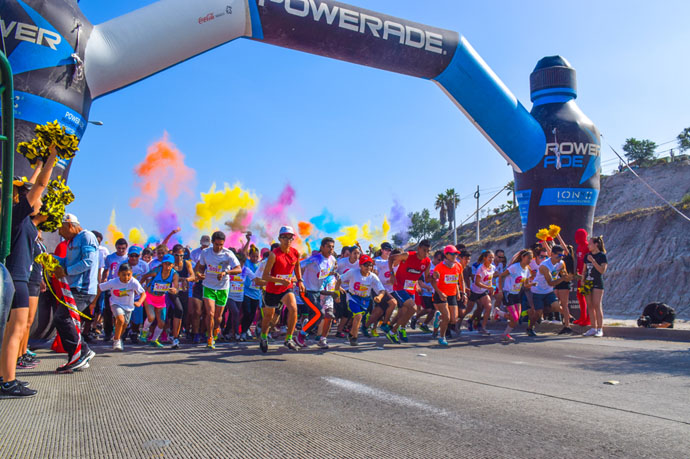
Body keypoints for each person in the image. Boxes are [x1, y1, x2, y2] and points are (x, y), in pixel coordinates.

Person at [0, 149, 57, 397]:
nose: (39, 201)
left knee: (14, 330)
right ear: (20, 198)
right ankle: (7, 380)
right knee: (14, 330)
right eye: (31, 196)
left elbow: (34, 184)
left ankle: (7, 376)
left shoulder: (13, 216)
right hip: (15, 278)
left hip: (16, 277)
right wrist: (53, 157)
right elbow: (41, 184)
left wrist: (38, 165)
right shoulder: (15, 214)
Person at [52, 213, 99, 373]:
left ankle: (83, 352)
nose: (60, 233)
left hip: (83, 288)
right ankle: (77, 355)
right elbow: (68, 261)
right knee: (65, 319)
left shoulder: (87, 236)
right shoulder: (71, 241)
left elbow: (88, 261)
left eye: (61, 229)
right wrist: (53, 259)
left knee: (62, 318)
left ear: (70, 225)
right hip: (74, 287)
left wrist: (66, 271)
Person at [259, 226, 304, 353]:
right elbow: (265, 276)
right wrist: (280, 280)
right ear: (279, 238)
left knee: (293, 308)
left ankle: (288, 338)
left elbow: (297, 267)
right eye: (284, 237)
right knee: (269, 317)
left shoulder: (295, 253)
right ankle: (263, 336)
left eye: (290, 237)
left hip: (286, 288)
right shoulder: (274, 255)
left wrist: (300, 280)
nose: (288, 240)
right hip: (272, 290)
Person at [194, 231, 241, 349]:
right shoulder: (205, 253)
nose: (219, 247)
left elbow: (238, 269)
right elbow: (200, 268)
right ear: (212, 243)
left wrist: (226, 272)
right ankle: (209, 338)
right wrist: (199, 274)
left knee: (218, 317)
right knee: (210, 313)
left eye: (221, 244)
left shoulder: (228, 254)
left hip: (222, 287)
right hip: (208, 286)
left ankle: (216, 328)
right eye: (216, 244)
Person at [93, 264, 146, 351]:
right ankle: (117, 341)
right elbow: (100, 288)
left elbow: (143, 293)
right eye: (123, 274)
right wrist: (94, 303)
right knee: (120, 320)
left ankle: (117, 337)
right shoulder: (113, 282)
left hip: (129, 306)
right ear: (118, 274)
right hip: (115, 303)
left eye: (128, 274)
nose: (126, 277)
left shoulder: (133, 282)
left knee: (124, 325)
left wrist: (140, 302)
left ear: (131, 274)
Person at [387, 239, 432, 344]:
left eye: (428, 251)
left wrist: (434, 277)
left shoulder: (427, 262)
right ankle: (393, 331)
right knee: (413, 308)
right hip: (399, 286)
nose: (426, 253)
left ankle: (401, 328)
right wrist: (392, 274)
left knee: (408, 311)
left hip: (410, 289)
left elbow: (427, 278)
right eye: (424, 250)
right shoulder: (407, 255)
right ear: (419, 249)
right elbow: (391, 258)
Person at [337, 255, 385, 346]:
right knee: (358, 316)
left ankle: (351, 334)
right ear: (360, 265)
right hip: (352, 298)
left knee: (358, 318)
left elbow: (382, 290)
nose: (368, 267)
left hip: (365, 300)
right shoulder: (353, 272)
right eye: (365, 265)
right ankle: (354, 338)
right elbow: (340, 279)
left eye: (370, 265)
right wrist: (337, 293)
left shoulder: (373, 277)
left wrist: (380, 297)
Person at [525, 245, 570, 337]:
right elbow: (550, 282)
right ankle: (530, 328)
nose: (560, 258)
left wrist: (570, 277)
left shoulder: (561, 263)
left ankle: (567, 324)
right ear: (552, 254)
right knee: (538, 313)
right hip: (538, 291)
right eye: (558, 256)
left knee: (557, 306)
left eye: (562, 256)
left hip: (548, 291)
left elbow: (564, 274)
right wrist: (562, 279)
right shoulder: (544, 266)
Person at [299, 238, 337, 347]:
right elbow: (299, 266)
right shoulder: (314, 259)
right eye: (329, 246)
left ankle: (304, 331)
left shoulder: (333, 260)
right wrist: (299, 280)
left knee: (315, 317)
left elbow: (325, 274)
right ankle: (301, 335)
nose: (331, 249)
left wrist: (333, 275)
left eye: (333, 247)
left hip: (317, 292)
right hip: (306, 291)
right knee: (319, 313)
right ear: (322, 247)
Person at [139, 254, 178, 348]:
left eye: (170, 264)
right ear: (162, 264)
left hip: (161, 299)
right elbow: (145, 276)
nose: (167, 266)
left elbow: (176, 286)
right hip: (150, 297)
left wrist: (175, 290)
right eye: (166, 264)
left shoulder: (174, 274)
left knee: (161, 323)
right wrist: (139, 288)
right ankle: (144, 331)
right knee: (151, 317)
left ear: (173, 265)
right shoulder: (156, 271)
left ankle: (154, 340)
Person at [497, 249, 535, 342]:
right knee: (514, 317)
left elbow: (525, 285)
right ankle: (504, 332)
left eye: (531, 258)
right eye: (528, 258)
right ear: (523, 257)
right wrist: (501, 290)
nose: (530, 260)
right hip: (508, 293)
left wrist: (532, 284)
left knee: (517, 318)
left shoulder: (527, 270)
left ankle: (500, 316)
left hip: (517, 294)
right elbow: (501, 276)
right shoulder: (514, 267)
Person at [431, 246, 465, 346]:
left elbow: (460, 280)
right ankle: (442, 337)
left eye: (456, 254)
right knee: (447, 317)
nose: (455, 256)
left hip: (452, 294)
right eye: (453, 254)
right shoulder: (439, 267)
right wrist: (440, 293)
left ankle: (438, 317)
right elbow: (433, 282)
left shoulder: (458, 266)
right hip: (441, 295)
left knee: (453, 319)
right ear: (446, 255)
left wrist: (461, 292)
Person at [99, 238, 129, 342]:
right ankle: (108, 332)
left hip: (124, 287)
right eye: (119, 248)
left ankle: (121, 332)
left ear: (126, 248)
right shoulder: (110, 257)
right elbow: (106, 271)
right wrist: (103, 281)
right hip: (112, 286)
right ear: (116, 247)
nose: (121, 250)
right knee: (108, 310)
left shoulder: (128, 258)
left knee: (123, 311)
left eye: (123, 248)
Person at [583, 236, 608, 337]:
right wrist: (582, 280)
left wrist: (593, 261)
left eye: (590, 244)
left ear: (596, 244)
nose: (588, 245)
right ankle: (593, 327)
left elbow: (602, 270)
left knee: (597, 304)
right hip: (588, 282)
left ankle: (600, 329)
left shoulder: (602, 256)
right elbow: (584, 270)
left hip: (597, 282)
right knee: (590, 305)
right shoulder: (587, 256)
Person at [469, 250, 496, 335]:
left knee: (488, 307)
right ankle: (460, 322)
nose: (491, 259)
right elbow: (477, 282)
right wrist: (488, 287)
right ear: (485, 258)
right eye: (489, 257)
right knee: (468, 310)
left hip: (483, 291)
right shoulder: (480, 268)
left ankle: (483, 327)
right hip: (475, 291)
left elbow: (490, 279)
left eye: (492, 257)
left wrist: (491, 289)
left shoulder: (492, 267)